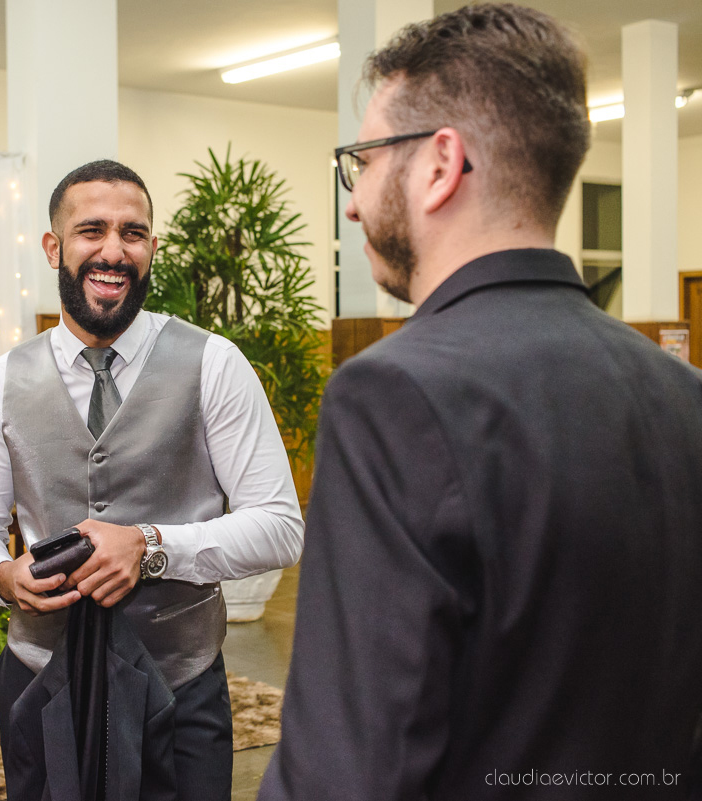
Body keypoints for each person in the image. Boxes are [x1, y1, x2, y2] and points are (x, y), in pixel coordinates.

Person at [259, 5, 702, 800]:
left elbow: (351, 768)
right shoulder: (684, 392)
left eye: (360, 159)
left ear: (439, 164)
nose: (353, 201)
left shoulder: (391, 395)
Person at [0, 158, 305, 799]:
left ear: (152, 248)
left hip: (180, 684)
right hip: (39, 681)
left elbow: (280, 526)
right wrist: (3, 576)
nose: (113, 250)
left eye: (133, 233)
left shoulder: (215, 366)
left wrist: (151, 545)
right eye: (91, 230)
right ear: (54, 247)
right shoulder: (2, 380)